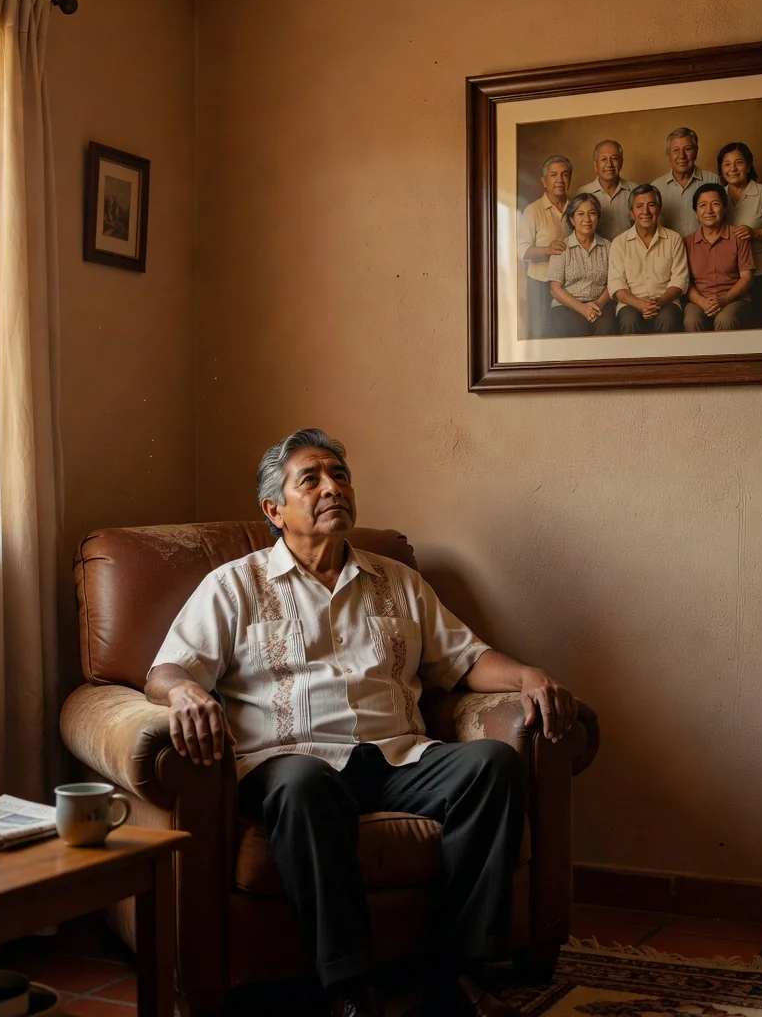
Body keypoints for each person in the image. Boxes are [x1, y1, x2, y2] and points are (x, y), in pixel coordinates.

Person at [146, 429, 578, 1017]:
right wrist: (186, 693)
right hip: (288, 762)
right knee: (306, 784)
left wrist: (527, 674)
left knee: (494, 765)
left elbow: (466, 659)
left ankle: (456, 973)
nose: (333, 487)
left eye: (341, 475)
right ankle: (348, 988)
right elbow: (166, 669)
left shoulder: (396, 580)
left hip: (398, 756)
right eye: (312, 478)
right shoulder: (234, 585)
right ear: (274, 509)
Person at [607, 185, 688, 334]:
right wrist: (638, 303)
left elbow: (680, 279)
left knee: (668, 319)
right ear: (631, 213)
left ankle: (664, 359)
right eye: (639, 206)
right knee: (628, 320)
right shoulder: (619, 243)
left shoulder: (674, 239)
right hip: (630, 303)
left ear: (659, 209)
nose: (645, 212)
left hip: (666, 301)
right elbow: (616, 284)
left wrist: (660, 302)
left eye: (651, 205)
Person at [717, 141, 762, 327]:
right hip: (728, 276)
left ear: (749, 166)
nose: (733, 169)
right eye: (727, 164)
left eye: (739, 163)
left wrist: (755, 233)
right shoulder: (718, 195)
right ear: (721, 168)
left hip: (760, 272)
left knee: (760, 323)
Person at [683, 183, 756, 332]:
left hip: (734, 299)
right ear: (696, 211)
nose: (709, 210)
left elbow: (747, 277)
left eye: (715, 204)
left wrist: (724, 299)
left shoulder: (739, 237)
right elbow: (685, 282)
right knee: (692, 321)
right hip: (699, 300)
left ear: (724, 209)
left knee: (725, 320)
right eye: (702, 205)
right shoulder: (687, 242)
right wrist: (702, 302)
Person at [544, 192, 615, 337]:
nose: (587, 219)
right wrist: (582, 308)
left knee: (606, 327)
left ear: (598, 217)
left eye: (592, 213)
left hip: (599, 305)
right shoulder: (562, 247)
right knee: (577, 329)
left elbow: (613, 283)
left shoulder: (608, 246)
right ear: (572, 219)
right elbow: (555, 288)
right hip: (567, 306)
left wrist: (597, 305)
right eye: (580, 214)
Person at [517, 155, 572, 338]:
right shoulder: (532, 210)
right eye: (554, 175)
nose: (560, 180)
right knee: (540, 333)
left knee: (565, 333)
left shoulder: (576, 208)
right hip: (540, 283)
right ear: (544, 181)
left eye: (564, 175)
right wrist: (547, 250)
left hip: (570, 284)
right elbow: (522, 250)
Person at [650, 127, 724, 238]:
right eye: (675, 150)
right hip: (670, 252)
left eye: (688, 149)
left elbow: (724, 220)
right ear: (668, 155)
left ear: (696, 152)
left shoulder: (713, 180)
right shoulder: (656, 187)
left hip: (705, 250)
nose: (682, 156)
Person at [575, 139, 637, 240]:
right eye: (604, 159)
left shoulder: (635, 191)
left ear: (621, 162)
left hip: (627, 253)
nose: (609, 164)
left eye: (614, 159)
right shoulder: (583, 192)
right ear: (595, 165)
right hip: (595, 253)